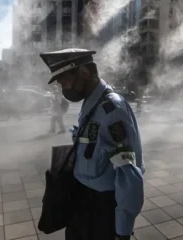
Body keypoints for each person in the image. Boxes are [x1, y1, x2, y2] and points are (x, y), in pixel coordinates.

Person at [39, 48, 145, 240]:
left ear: (84, 73)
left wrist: (122, 231)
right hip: (81, 204)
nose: (64, 88)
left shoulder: (111, 110)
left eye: (65, 81)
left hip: (100, 211)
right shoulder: (91, 104)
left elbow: (129, 176)